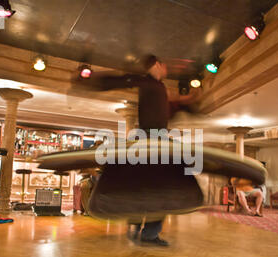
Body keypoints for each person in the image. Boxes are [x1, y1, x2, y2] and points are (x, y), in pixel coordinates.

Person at [85, 54, 201, 246]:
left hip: (155, 139)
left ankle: (139, 229)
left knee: (150, 185)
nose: (166, 69)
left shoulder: (158, 87)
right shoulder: (148, 83)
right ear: (156, 65)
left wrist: (184, 102)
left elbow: (166, 111)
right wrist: (95, 81)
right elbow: (123, 80)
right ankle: (144, 232)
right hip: (152, 139)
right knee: (158, 187)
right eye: (163, 65)